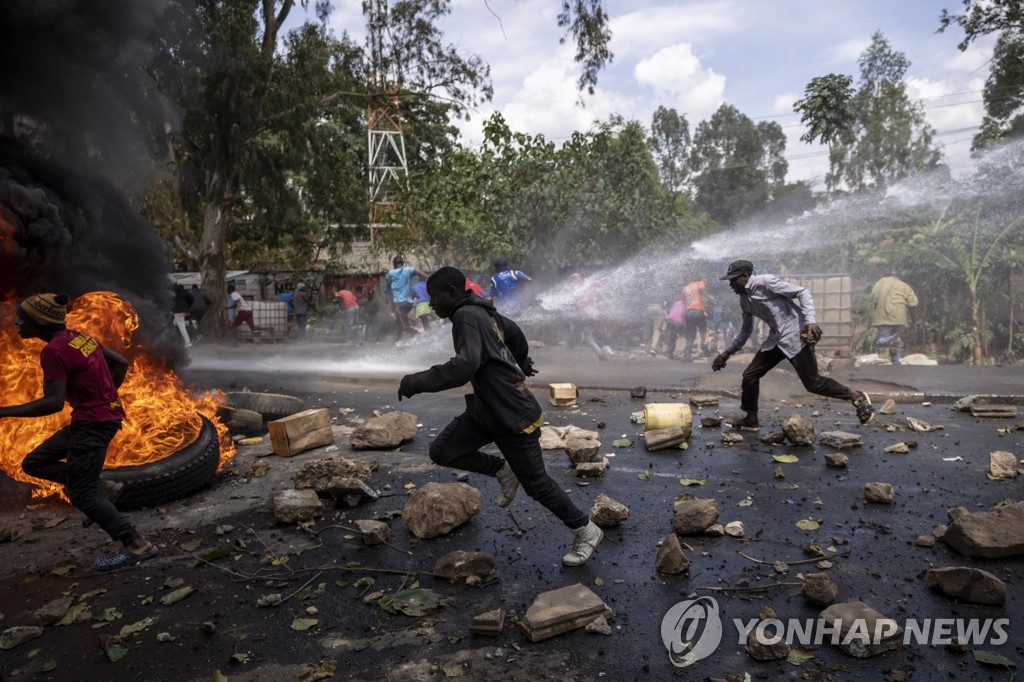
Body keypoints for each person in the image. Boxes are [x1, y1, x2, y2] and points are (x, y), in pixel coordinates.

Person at [397, 267, 603, 566]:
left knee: (537, 486)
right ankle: (502, 470)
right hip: (487, 410)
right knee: (442, 450)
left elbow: (464, 366)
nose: (432, 305)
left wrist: (415, 382)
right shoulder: (481, 311)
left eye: (434, 298)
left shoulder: (467, 316)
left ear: (452, 293)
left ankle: (586, 530)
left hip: (512, 415)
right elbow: (514, 331)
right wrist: (521, 360)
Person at [2, 293, 157, 571]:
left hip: (93, 424)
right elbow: (120, 363)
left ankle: (137, 545)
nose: (16, 324)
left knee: (81, 495)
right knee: (33, 463)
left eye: (22, 320)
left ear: (39, 323)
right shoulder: (78, 337)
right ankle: (102, 485)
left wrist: (3, 412)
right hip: (93, 419)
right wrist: (106, 394)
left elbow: (52, 403)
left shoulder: (53, 351)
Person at [711, 260, 875, 430]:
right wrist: (727, 353)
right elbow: (746, 331)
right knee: (750, 376)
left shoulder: (765, 282)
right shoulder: (744, 300)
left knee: (813, 384)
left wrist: (810, 322)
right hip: (776, 340)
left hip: (795, 336)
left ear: (745, 276)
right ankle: (751, 419)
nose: (730, 284)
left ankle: (856, 396)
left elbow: (802, 292)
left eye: (733, 279)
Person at [871, 272, 918, 365]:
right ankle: (896, 363)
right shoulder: (905, 286)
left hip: (884, 317)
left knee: (881, 342)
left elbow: (874, 296)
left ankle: (890, 339)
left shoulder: (881, 282)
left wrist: (877, 308)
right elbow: (913, 304)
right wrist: (914, 321)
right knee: (896, 343)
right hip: (900, 317)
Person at [385, 256, 429, 341]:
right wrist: (429, 276)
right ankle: (396, 341)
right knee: (398, 323)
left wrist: (387, 298)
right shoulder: (408, 270)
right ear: (402, 263)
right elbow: (419, 273)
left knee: (405, 327)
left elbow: (388, 286)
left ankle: (422, 339)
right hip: (409, 303)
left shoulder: (391, 273)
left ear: (394, 264)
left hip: (400, 304)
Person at [681, 278, 714, 361]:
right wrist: (710, 298)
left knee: (690, 335)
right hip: (698, 311)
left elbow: (684, 302)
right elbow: (702, 291)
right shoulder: (699, 283)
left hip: (689, 313)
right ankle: (705, 348)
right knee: (703, 332)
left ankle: (686, 356)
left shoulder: (684, 289)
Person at [172, 283, 192, 349]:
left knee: (182, 327)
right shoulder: (185, 293)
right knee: (174, 323)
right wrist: (188, 307)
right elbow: (191, 299)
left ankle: (188, 342)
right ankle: (174, 338)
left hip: (177, 312)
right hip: (184, 311)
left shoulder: (174, 294)